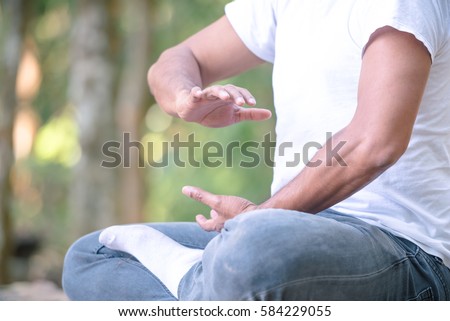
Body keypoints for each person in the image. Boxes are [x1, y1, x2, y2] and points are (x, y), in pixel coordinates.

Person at [62, 0, 450, 300]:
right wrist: (185, 96)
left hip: (407, 251)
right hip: (294, 228)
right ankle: (212, 286)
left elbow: (374, 143)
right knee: (94, 255)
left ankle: (197, 281)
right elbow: (175, 61)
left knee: (256, 252)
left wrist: (256, 219)